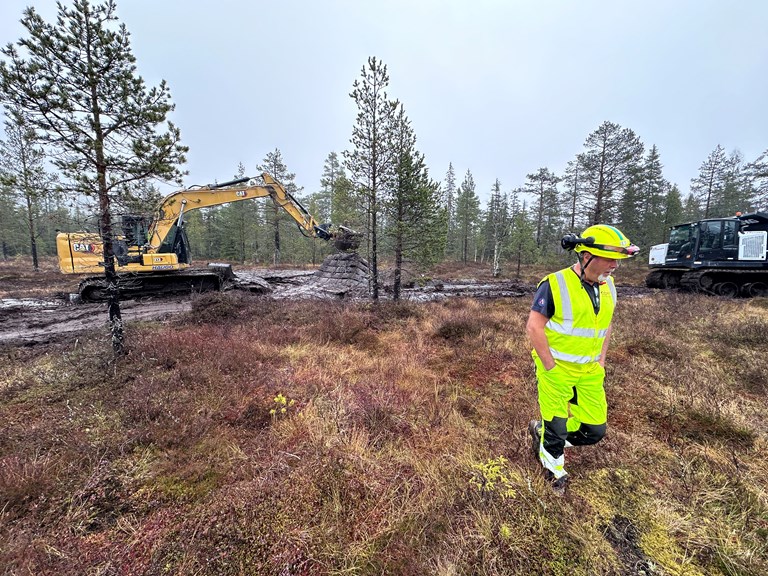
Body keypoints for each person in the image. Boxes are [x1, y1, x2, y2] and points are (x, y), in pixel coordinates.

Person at [526, 224, 639, 495]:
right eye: (610, 258)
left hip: (589, 372)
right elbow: (534, 327)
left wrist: (600, 361)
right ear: (586, 255)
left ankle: (541, 433)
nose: (615, 265)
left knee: (594, 430)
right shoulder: (554, 284)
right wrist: (550, 367)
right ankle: (554, 472)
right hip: (557, 370)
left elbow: (606, 324)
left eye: (618, 260)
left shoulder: (609, 286)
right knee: (556, 428)